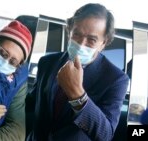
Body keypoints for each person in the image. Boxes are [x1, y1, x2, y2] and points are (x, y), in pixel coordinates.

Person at [26, 3, 129, 141]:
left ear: (103, 43)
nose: (81, 44)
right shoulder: (47, 62)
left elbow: (105, 134)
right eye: (77, 34)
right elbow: (31, 103)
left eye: (91, 40)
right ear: (69, 30)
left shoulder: (116, 79)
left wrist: (77, 95)